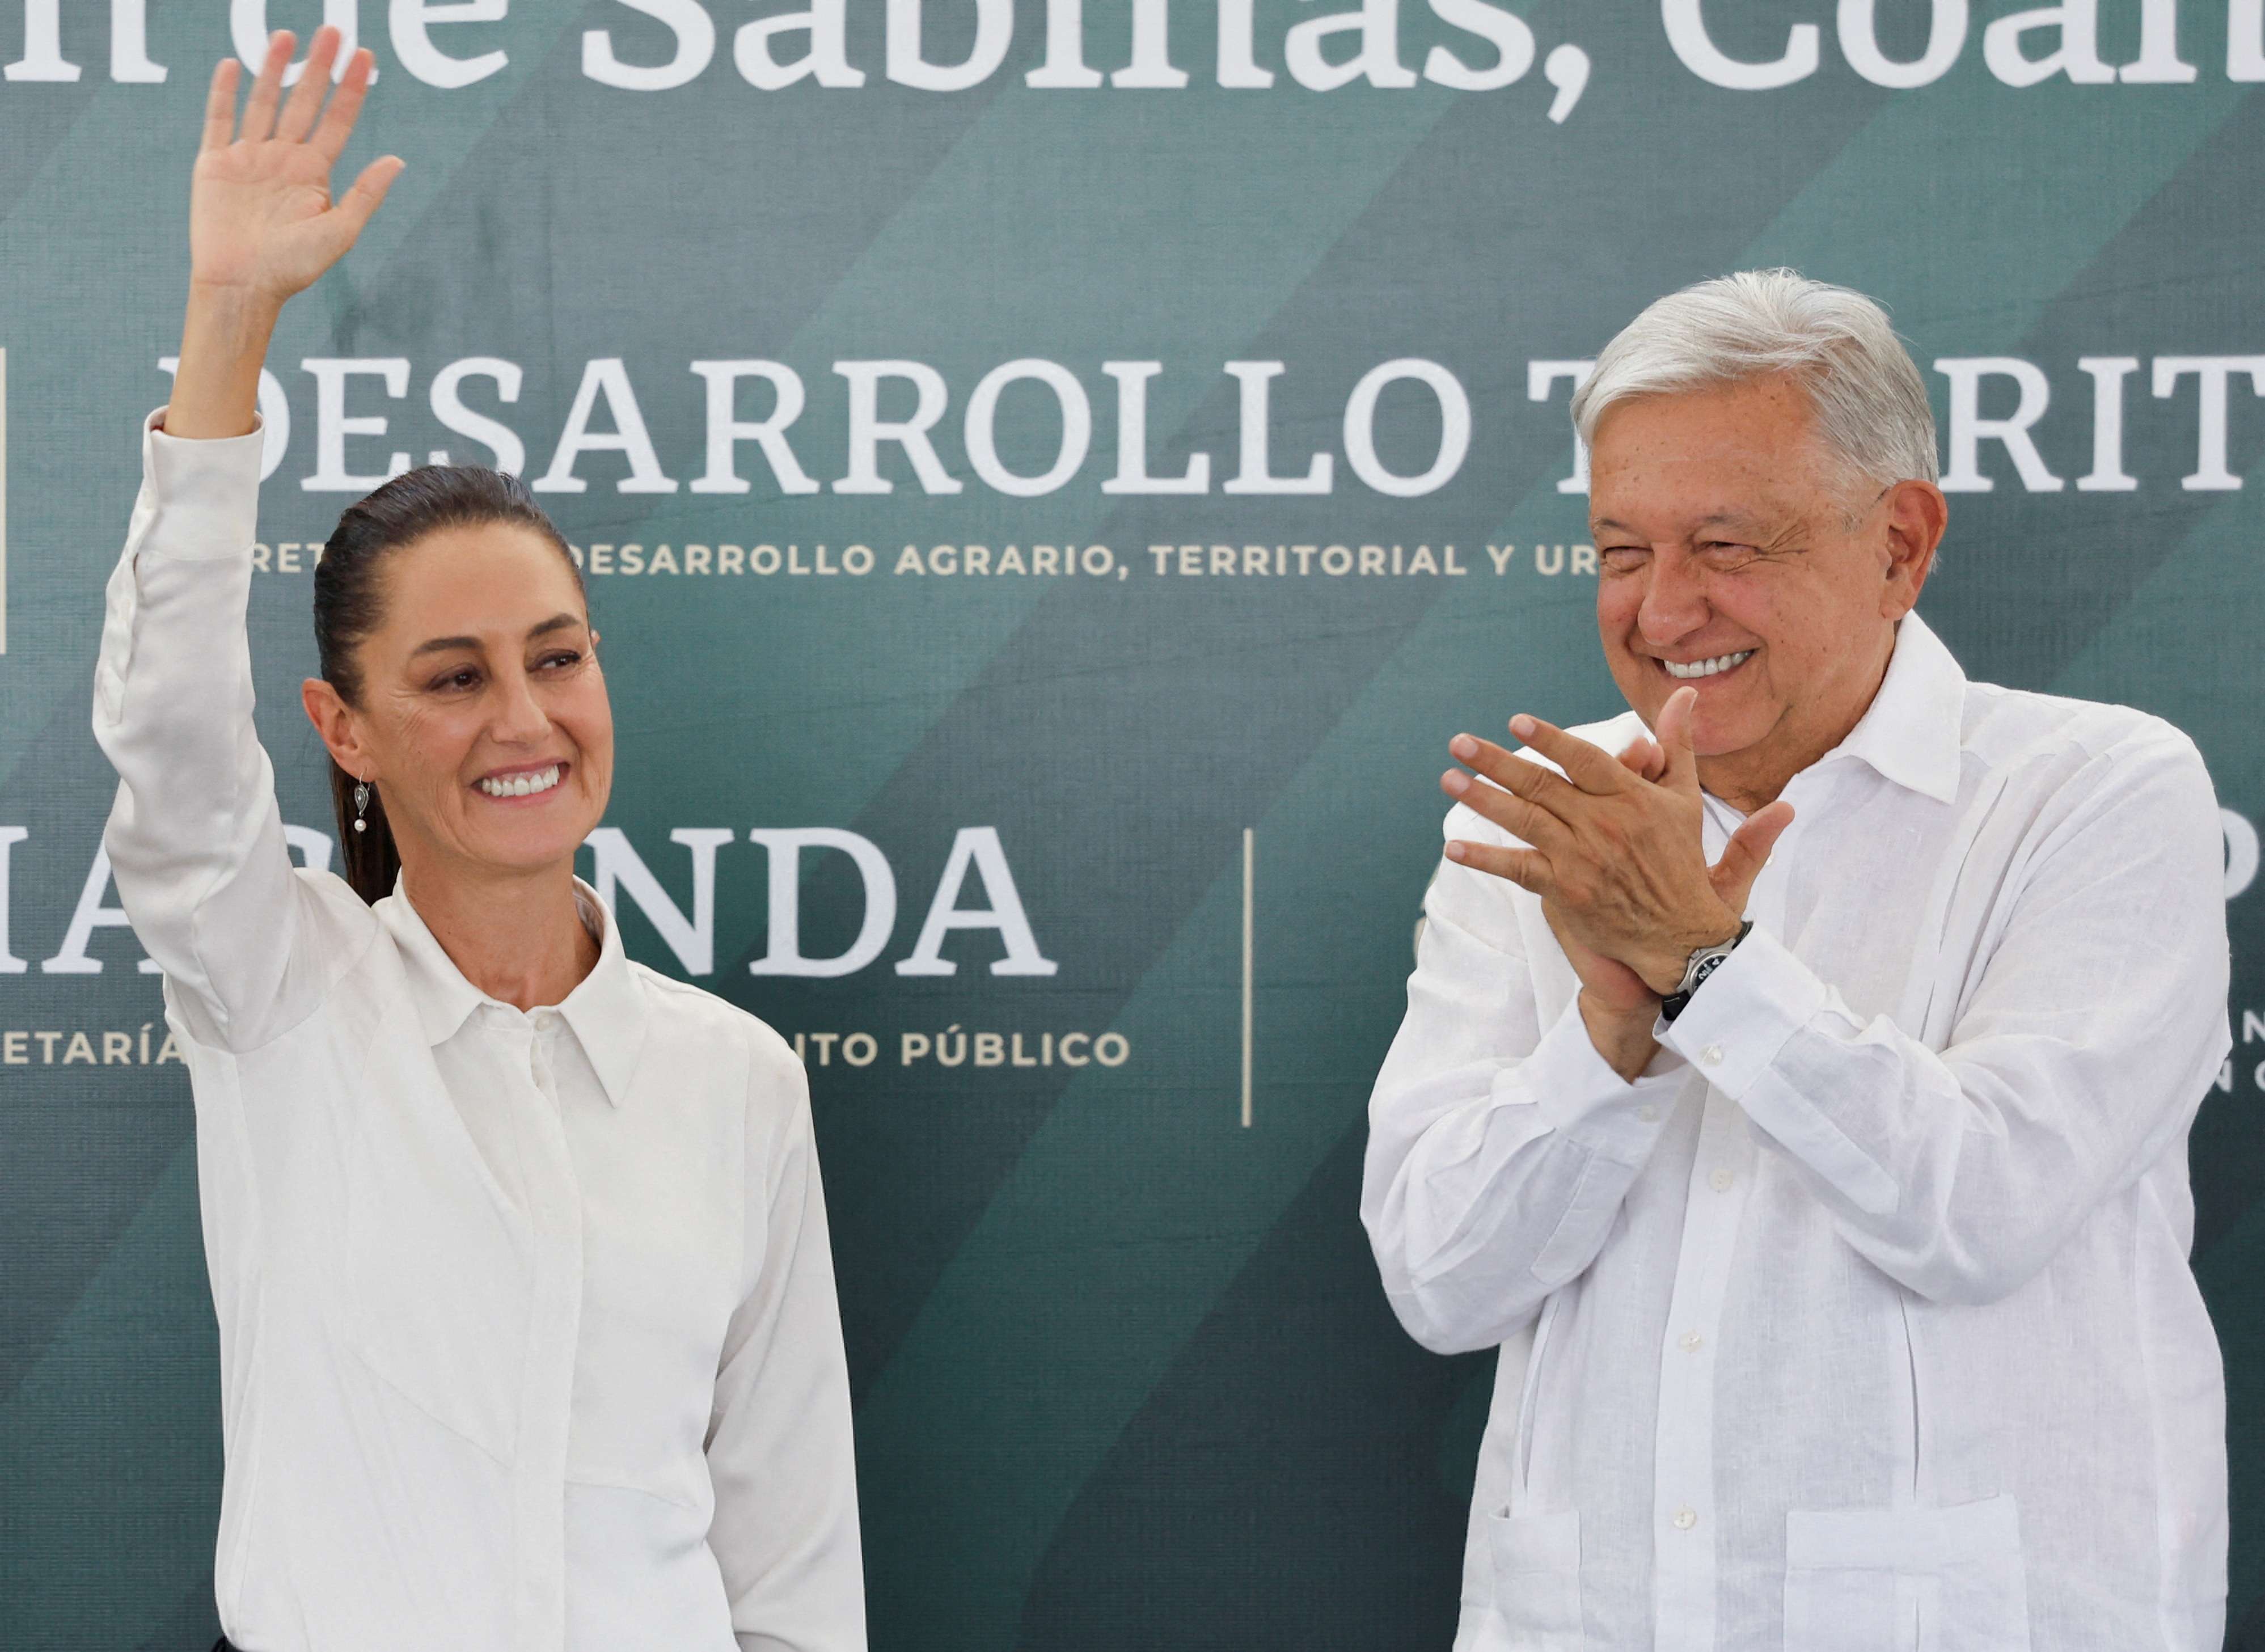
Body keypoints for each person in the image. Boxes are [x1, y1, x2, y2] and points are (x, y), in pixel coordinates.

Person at [94, 31, 863, 1651]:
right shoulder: (280, 989)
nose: (525, 719)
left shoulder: (735, 1081)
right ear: (346, 733)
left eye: (557, 655)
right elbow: (167, 741)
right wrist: (226, 327)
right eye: (453, 678)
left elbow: (792, 1569)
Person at [1361, 269, 2229, 1650]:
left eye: (1725, 544)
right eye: (1619, 551)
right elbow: (1441, 1278)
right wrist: (1606, 1036)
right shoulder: (1542, 825)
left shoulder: (2097, 789)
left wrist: (1700, 965)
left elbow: (1978, 1207)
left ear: (1899, 542)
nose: (1658, 614)